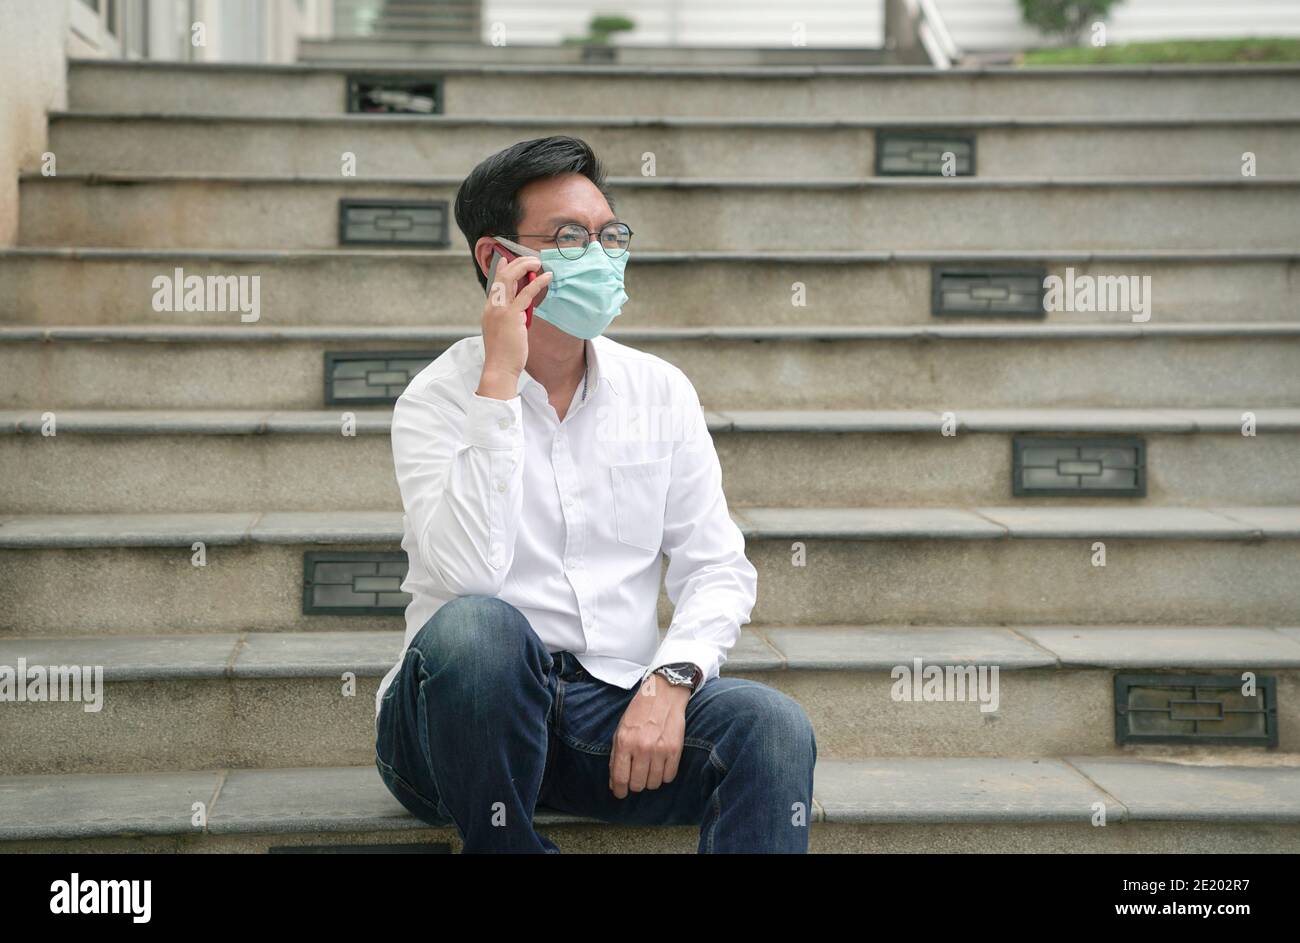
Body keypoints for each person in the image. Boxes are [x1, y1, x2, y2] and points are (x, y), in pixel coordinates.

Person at [373, 135, 817, 853]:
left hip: (604, 715)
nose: (603, 254)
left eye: (610, 234)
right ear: (497, 259)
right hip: (455, 724)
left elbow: (717, 567)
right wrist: (498, 385)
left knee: (771, 728)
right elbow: (467, 576)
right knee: (482, 627)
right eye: (571, 238)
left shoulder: (659, 390)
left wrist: (670, 681)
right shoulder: (436, 400)